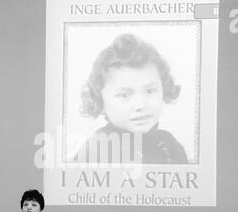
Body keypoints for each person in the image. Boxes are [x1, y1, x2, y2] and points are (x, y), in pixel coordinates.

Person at [74, 33, 188, 164]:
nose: (141, 104)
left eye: (150, 91)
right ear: (101, 102)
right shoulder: (95, 151)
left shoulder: (169, 145)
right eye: (124, 95)